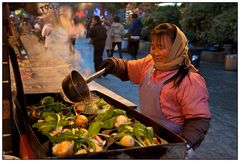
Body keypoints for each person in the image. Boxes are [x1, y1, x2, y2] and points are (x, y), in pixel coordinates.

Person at [100, 23, 211, 158]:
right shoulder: (149, 63)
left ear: (176, 48)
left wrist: (184, 146)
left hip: (169, 143)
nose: (155, 52)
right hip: (146, 135)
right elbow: (128, 68)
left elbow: (198, 120)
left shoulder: (190, 80)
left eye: (161, 47)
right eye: (153, 47)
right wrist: (114, 64)